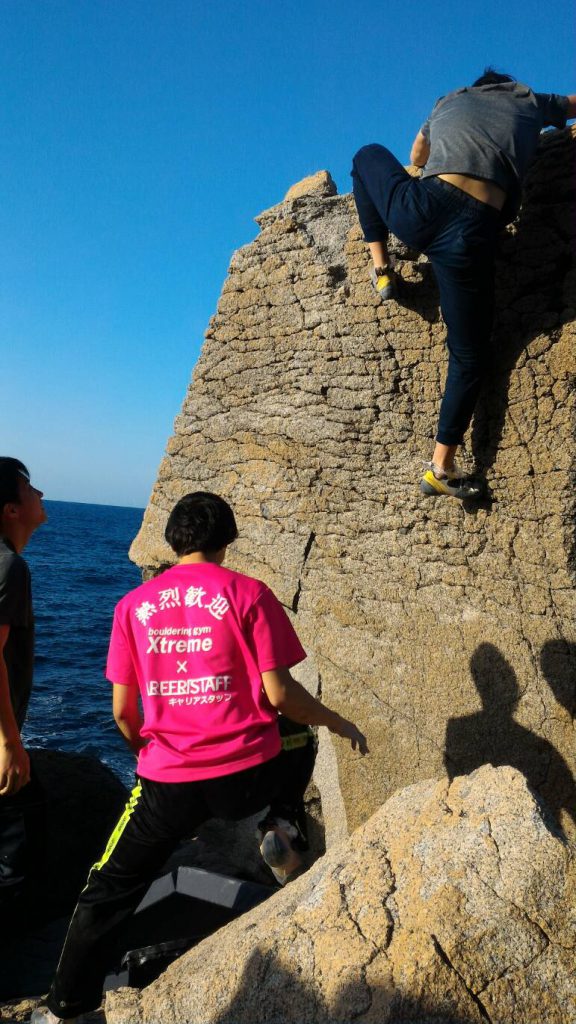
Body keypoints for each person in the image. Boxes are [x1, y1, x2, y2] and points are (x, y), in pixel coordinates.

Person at [32, 491, 368, 1024]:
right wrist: (336, 720)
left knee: (109, 887)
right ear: (226, 539)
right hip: (248, 777)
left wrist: (150, 756)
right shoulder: (250, 594)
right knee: (300, 735)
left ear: (172, 539)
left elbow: (123, 712)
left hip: (168, 786)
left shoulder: (132, 607)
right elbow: (282, 695)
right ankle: (282, 824)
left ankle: (66, 1008)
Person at [351, 70, 576, 499]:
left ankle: (382, 268)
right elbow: (572, 104)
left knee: (365, 156)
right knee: (469, 356)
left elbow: (417, 156)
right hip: (473, 233)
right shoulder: (528, 99)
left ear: (477, 85)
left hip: (421, 208)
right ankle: (441, 465)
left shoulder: (450, 99)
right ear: (507, 85)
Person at [0, 458, 47, 923]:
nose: (40, 495)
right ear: (11, 510)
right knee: (10, 866)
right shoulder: (9, 567)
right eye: (30, 489)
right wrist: (10, 744)